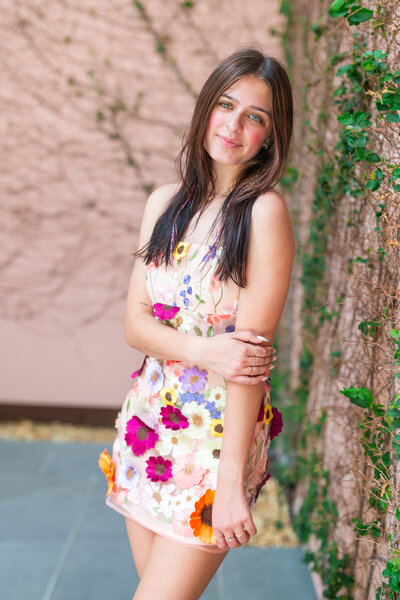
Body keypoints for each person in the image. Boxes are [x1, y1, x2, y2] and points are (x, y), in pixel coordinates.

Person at [99, 47, 295, 600]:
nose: (233, 125)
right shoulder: (164, 203)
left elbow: (249, 364)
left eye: (255, 117)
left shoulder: (263, 214)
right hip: (149, 435)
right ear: (206, 107)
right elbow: (134, 326)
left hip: (212, 452)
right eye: (226, 105)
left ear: (270, 137)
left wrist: (231, 484)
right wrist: (206, 351)